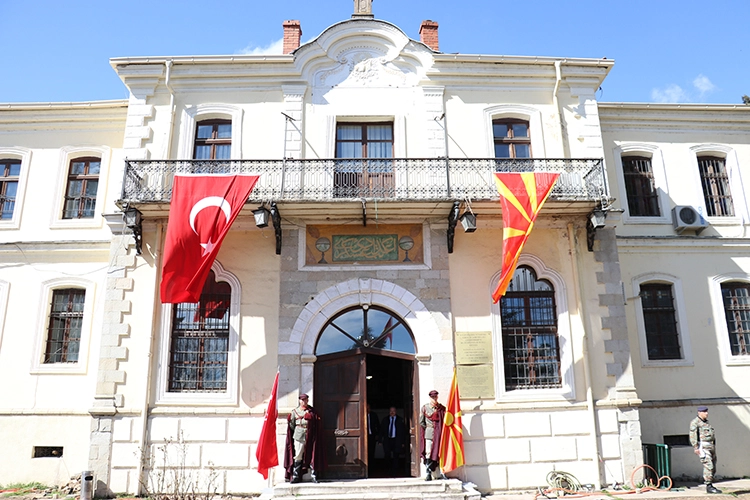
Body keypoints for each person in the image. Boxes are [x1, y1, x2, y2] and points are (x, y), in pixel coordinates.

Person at [284, 393, 324, 483]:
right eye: (303, 400)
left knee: (312, 455)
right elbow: (292, 425)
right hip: (299, 436)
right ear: (299, 401)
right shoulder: (295, 412)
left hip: (310, 436)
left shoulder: (312, 411)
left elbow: (316, 423)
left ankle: (313, 475)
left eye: (306, 400)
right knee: (298, 455)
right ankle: (296, 475)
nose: (304, 402)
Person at [689, 405, 720, 494]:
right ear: (699, 413)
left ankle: (710, 483)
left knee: (713, 466)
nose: (706, 413)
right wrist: (695, 447)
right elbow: (693, 435)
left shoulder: (706, 423)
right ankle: (709, 486)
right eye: (704, 412)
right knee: (708, 465)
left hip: (711, 446)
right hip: (703, 447)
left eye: (707, 411)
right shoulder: (695, 422)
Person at [419, 389, 447, 481]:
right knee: (429, 453)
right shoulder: (425, 408)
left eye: (435, 397)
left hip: (439, 434)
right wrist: (430, 428)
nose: (434, 398)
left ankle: (438, 473)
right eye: (432, 397)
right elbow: (421, 422)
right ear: (430, 397)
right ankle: (428, 473)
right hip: (430, 433)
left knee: (438, 453)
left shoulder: (441, 408)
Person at [380, 406, 406, 476]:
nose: (392, 412)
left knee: (396, 456)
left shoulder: (400, 420)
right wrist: (380, 440)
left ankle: (395, 471)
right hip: (387, 440)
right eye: (391, 411)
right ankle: (388, 470)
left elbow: (403, 432)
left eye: (393, 411)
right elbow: (381, 430)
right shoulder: (385, 420)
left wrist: (403, 442)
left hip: (396, 440)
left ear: (396, 412)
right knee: (387, 455)